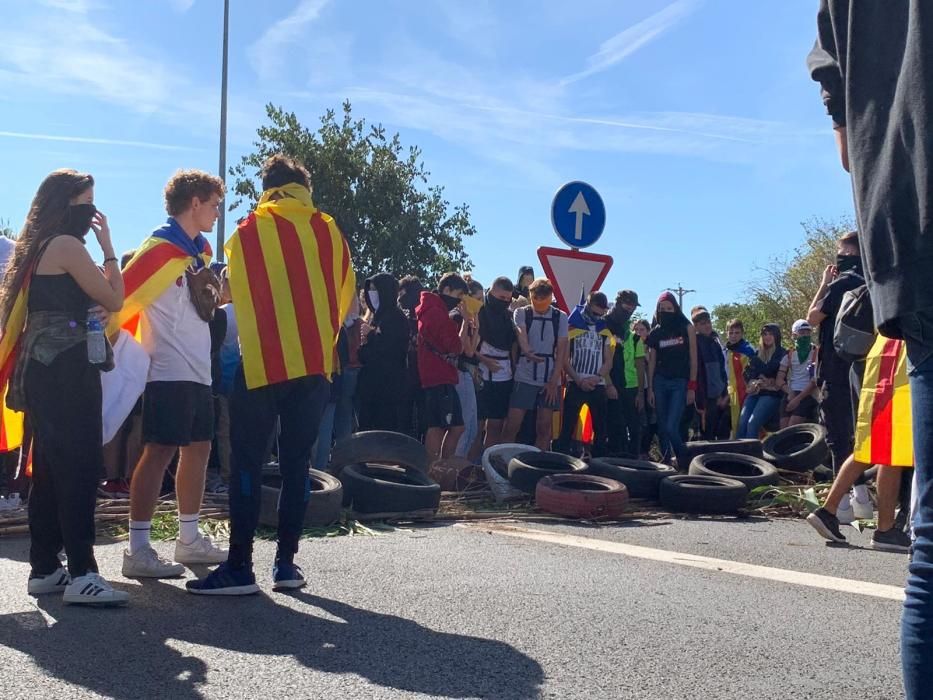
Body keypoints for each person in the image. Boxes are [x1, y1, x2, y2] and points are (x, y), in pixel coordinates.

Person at [809, 9, 933, 690]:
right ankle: (847, 513)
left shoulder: (862, 272)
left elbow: (830, 72)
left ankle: (860, 517)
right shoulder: (839, 283)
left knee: (888, 449)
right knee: (883, 443)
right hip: (881, 361)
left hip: (907, 256)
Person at [187, 154, 356, 595]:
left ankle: (240, 566)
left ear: (267, 188)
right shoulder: (330, 231)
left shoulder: (246, 232)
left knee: (247, 462)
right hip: (315, 365)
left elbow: (235, 293)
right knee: (298, 464)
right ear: (304, 187)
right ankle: (286, 565)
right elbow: (344, 300)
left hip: (264, 360)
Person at [0, 169, 126, 605]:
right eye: (87, 204)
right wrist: (110, 249)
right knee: (77, 466)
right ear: (69, 205)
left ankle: (46, 567)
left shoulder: (37, 247)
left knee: (52, 469)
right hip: (66, 368)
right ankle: (82, 573)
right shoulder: (68, 246)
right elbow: (115, 299)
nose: (92, 214)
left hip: (42, 366)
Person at [112, 170, 227, 579]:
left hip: (198, 372)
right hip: (166, 370)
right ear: (194, 202)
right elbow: (120, 297)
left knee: (199, 450)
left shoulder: (199, 254)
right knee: (158, 452)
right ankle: (137, 548)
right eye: (213, 203)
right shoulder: (158, 250)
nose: (217, 211)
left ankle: (188, 539)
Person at [807, 336, 913, 552]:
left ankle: (835, 512)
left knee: (884, 449)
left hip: (888, 360)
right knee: (882, 447)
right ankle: (880, 528)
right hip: (895, 364)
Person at [806, 231, 864, 472]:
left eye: (840, 254)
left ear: (850, 253)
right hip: (865, 368)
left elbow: (812, 317)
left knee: (838, 436)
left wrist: (824, 284)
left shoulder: (842, 283)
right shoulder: (874, 280)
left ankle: (845, 500)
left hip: (835, 367)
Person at [501, 278, 569, 451]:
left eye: (542, 300)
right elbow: (520, 333)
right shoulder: (522, 312)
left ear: (550, 297)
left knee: (544, 426)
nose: (538, 304)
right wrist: (527, 349)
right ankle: (502, 459)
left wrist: (554, 381)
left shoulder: (560, 317)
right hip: (525, 373)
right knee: (512, 423)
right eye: (534, 299)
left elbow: (562, 350)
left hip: (550, 374)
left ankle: (541, 463)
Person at [416, 272, 469, 462]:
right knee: (438, 426)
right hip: (439, 376)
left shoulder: (430, 309)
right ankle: (434, 468)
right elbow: (456, 347)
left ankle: (439, 467)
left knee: (453, 426)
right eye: (458, 295)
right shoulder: (436, 313)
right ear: (446, 289)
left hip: (437, 375)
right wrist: (464, 323)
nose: (458, 301)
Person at [555, 292, 615, 457]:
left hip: (598, 384)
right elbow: (565, 359)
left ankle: (599, 463)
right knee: (567, 427)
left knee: (601, 430)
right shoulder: (572, 327)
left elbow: (608, 361)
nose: (597, 316)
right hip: (576, 383)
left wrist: (596, 378)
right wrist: (579, 380)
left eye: (601, 313)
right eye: (595, 312)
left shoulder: (605, 331)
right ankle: (561, 460)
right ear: (588, 306)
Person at [646, 292, 697, 468]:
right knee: (661, 426)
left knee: (671, 426)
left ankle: (684, 458)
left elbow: (693, 358)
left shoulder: (687, 327)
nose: (666, 311)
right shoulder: (656, 332)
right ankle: (667, 462)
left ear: (675, 308)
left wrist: (692, 386)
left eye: (669, 308)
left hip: (680, 382)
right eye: (662, 309)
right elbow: (651, 361)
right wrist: (650, 388)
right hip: (660, 381)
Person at [357, 273, 408, 432]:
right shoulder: (376, 317)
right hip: (371, 387)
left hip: (388, 389)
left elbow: (390, 348)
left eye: (375, 289)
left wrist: (371, 335)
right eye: (370, 290)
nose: (371, 294)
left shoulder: (396, 317)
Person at [476, 277, 517, 450]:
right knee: (476, 424)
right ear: (491, 293)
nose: (505, 302)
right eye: (501, 298)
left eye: (508, 299)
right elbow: (465, 347)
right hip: (479, 371)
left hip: (504, 374)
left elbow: (514, 346)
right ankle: (470, 465)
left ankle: (487, 463)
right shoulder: (478, 311)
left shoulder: (509, 317)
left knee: (495, 424)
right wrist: (484, 360)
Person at [605, 291, 644, 457]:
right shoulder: (604, 324)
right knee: (613, 427)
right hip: (608, 385)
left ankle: (633, 459)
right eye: (628, 304)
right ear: (619, 302)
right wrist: (608, 383)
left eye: (633, 306)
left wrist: (641, 393)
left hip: (630, 387)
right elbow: (601, 358)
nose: (631, 308)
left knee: (635, 428)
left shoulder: (631, 334)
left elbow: (640, 365)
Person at [737, 324, 787, 439]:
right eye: (764, 334)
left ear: (776, 336)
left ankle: (751, 455)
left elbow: (770, 370)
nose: (767, 337)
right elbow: (748, 374)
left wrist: (760, 374)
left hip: (772, 394)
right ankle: (738, 454)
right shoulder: (757, 353)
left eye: (770, 334)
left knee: (752, 424)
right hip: (755, 391)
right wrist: (758, 379)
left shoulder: (782, 352)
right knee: (742, 423)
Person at [692, 308, 729, 441]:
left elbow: (721, 370)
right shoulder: (694, 343)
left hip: (719, 395)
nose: (707, 325)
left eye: (708, 322)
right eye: (702, 323)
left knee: (721, 431)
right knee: (705, 434)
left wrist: (723, 393)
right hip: (703, 397)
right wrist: (700, 402)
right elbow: (697, 374)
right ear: (695, 326)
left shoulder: (715, 343)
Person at [397, 275, 424, 439]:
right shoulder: (401, 313)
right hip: (408, 370)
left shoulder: (423, 312)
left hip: (417, 370)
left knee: (413, 413)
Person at [779, 320, 818, 428]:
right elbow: (779, 379)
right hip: (791, 392)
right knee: (783, 428)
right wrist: (790, 392)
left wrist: (797, 399)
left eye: (807, 332)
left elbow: (814, 380)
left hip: (808, 394)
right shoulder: (790, 354)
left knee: (792, 426)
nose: (805, 335)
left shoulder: (816, 352)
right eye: (802, 332)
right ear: (794, 335)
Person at [724, 319, 756, 438]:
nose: (733, 336)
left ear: (742, 333)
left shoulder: (748, 350)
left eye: (737, 333)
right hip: (731, 392)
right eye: (731, 333)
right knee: (733, 425)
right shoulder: (726, 350)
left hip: (745, 391)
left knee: (743, 423)